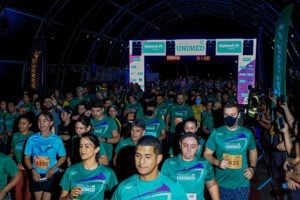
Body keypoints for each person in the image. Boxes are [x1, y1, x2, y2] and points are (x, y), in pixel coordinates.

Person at [203, 103, 257, 200]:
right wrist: (217, 162)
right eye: (226, 115)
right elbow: (206, 154)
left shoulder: (247, 133)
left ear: (238, 115)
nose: (229, 118)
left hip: (242, 182)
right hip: (222, 183)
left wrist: (252, 167)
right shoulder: (216, 133)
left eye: (233, 115)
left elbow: (252, 151)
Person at [112, 135, 188, 200]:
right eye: (138, 156)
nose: (141, 161)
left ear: (158, 159)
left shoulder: (173, 188)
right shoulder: (124, 187)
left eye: (147, 157)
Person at [161, 133, 219, 200]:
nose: (189, 149)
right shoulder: (169, 163)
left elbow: (211, 185)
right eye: (185, 145)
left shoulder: (204, 164)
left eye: (193, 146)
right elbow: (162, 186)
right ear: (180, 144)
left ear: (198, 147)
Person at [60, 133, 118, 200]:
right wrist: (70, 196)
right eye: (81, 146)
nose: (82, 150)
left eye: (87, 146)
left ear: (96, 149)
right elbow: (62, 197)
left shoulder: (108, 173)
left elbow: (116, 197)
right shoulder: (71, 171)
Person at [24, 112, 66, 200]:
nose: (41, 123)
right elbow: (26, 158)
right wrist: (32, 170)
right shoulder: (31, 139)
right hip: (36, 174)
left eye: (44, 121)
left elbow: (63, 157)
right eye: (39, 121)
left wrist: (53, 168)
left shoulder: (57, 139)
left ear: (51, 123)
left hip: (50, 175)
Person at [11, 114, 34, 200]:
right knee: (17, 189)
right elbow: (12, 150)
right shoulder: (15, 135)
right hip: (18, 166)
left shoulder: (33, 136)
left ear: (30, 125)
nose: (21, 125)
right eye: (20, 123)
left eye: (24, 123)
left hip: (29, 167)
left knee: (28, 190)